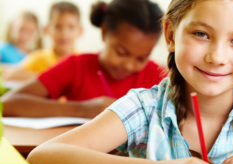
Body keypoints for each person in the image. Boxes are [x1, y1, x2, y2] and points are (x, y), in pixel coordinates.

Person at [27, 0, 233, 164]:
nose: (216, 57)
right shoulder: (143, 109)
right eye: (201, 34)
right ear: (170, 35)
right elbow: (44, 157)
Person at [1, 0, 167, 118]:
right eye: (121, 53)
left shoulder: (158, 76)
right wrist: (82, 109)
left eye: (141, 58)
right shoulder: (76, 66)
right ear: (104, 32)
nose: (129, 65)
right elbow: (8, 102)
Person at [4, 1, 83, 81]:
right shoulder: (37, 58)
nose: (64, 33)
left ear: (80, 31)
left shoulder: (82, 62)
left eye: (71, 27)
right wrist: (48, 79)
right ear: (46, 29)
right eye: (58, 27)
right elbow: (10, 75)